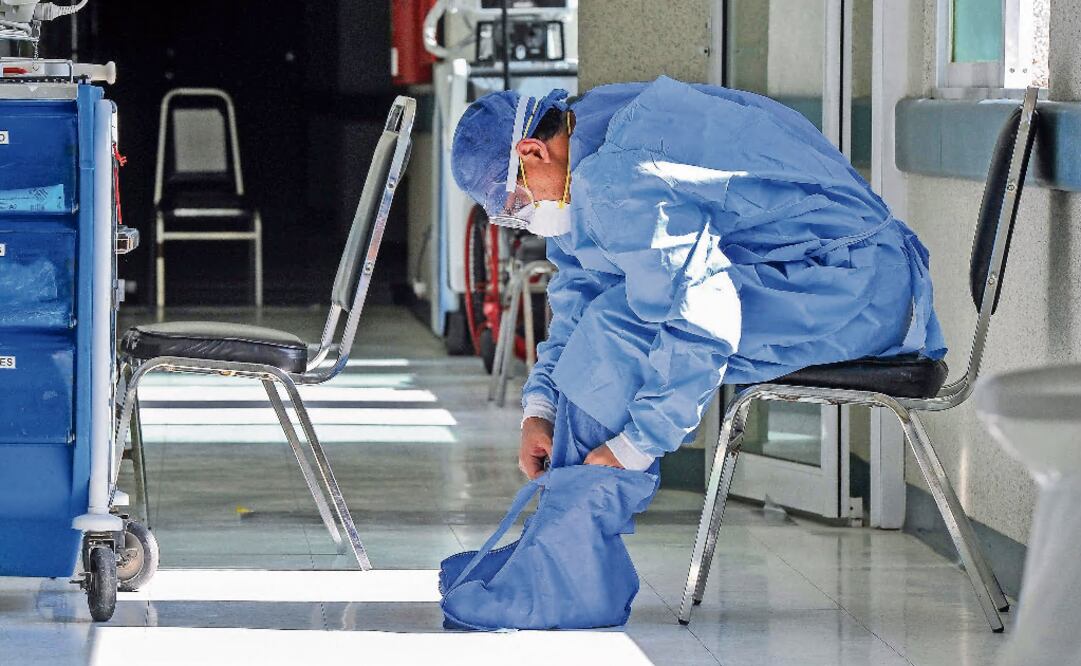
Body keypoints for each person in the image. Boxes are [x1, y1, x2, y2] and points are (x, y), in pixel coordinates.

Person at [451, 76, 946, 479]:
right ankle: (570, 523)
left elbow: (697, 314)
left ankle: (571, 528)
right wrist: (542, 407)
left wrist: (637, 444)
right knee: (610, 319)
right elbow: (581, 292)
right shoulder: (593, 129)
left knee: (623, 332)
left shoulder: (613, 179)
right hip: (846, 273)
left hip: (854, 290)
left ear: (533, 151)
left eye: (515, 203)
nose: (524, 216)